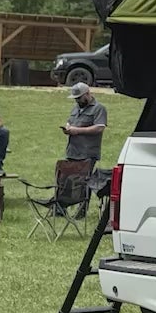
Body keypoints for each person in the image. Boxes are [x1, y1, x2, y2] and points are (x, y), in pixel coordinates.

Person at [58, 82, 108, 217]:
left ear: (87, 94)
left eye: (79, 98)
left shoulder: (98, 109)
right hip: (73, 150)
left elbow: (99, 127)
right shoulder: (75, 108)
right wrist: (68, 128)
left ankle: (82, 211)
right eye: (75, 98)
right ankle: (60, 208)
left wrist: (77, 131)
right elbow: (70, 122)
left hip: (87, 152)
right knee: (66, 180)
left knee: (84, 182)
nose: (77, 100)